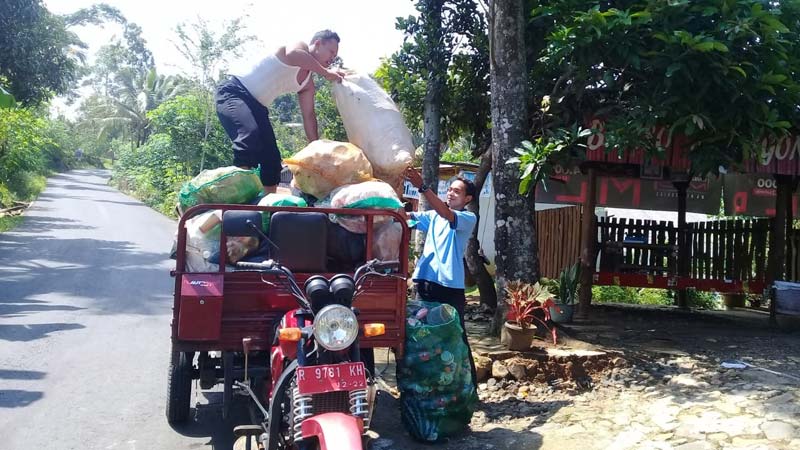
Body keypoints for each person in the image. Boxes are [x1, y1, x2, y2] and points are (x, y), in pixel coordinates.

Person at [216, 30, 345, 194]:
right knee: (248, 136)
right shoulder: (300, 47)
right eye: (331, 52)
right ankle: (237, 194)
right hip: (234, 93)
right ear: (318, 44)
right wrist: (326, 73)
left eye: (335, 55)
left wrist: (316, 148)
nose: (332, 58)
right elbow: (293, 54)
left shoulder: (307, 84)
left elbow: (309, 116)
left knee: (272, 160)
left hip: (259, 108)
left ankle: (267, 208)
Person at [404, 167, 478, 388]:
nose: (451, 193)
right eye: (450, 190)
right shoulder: (432, 216)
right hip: (425, 283)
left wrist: (422, 187)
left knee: (455, 335)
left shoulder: (467, 218)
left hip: (449, 287)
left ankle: (468, 388)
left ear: (467, 198)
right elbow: (406, 218)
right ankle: (434, 385)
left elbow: (447, 215)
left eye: (457, 191)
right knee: (424, 335)